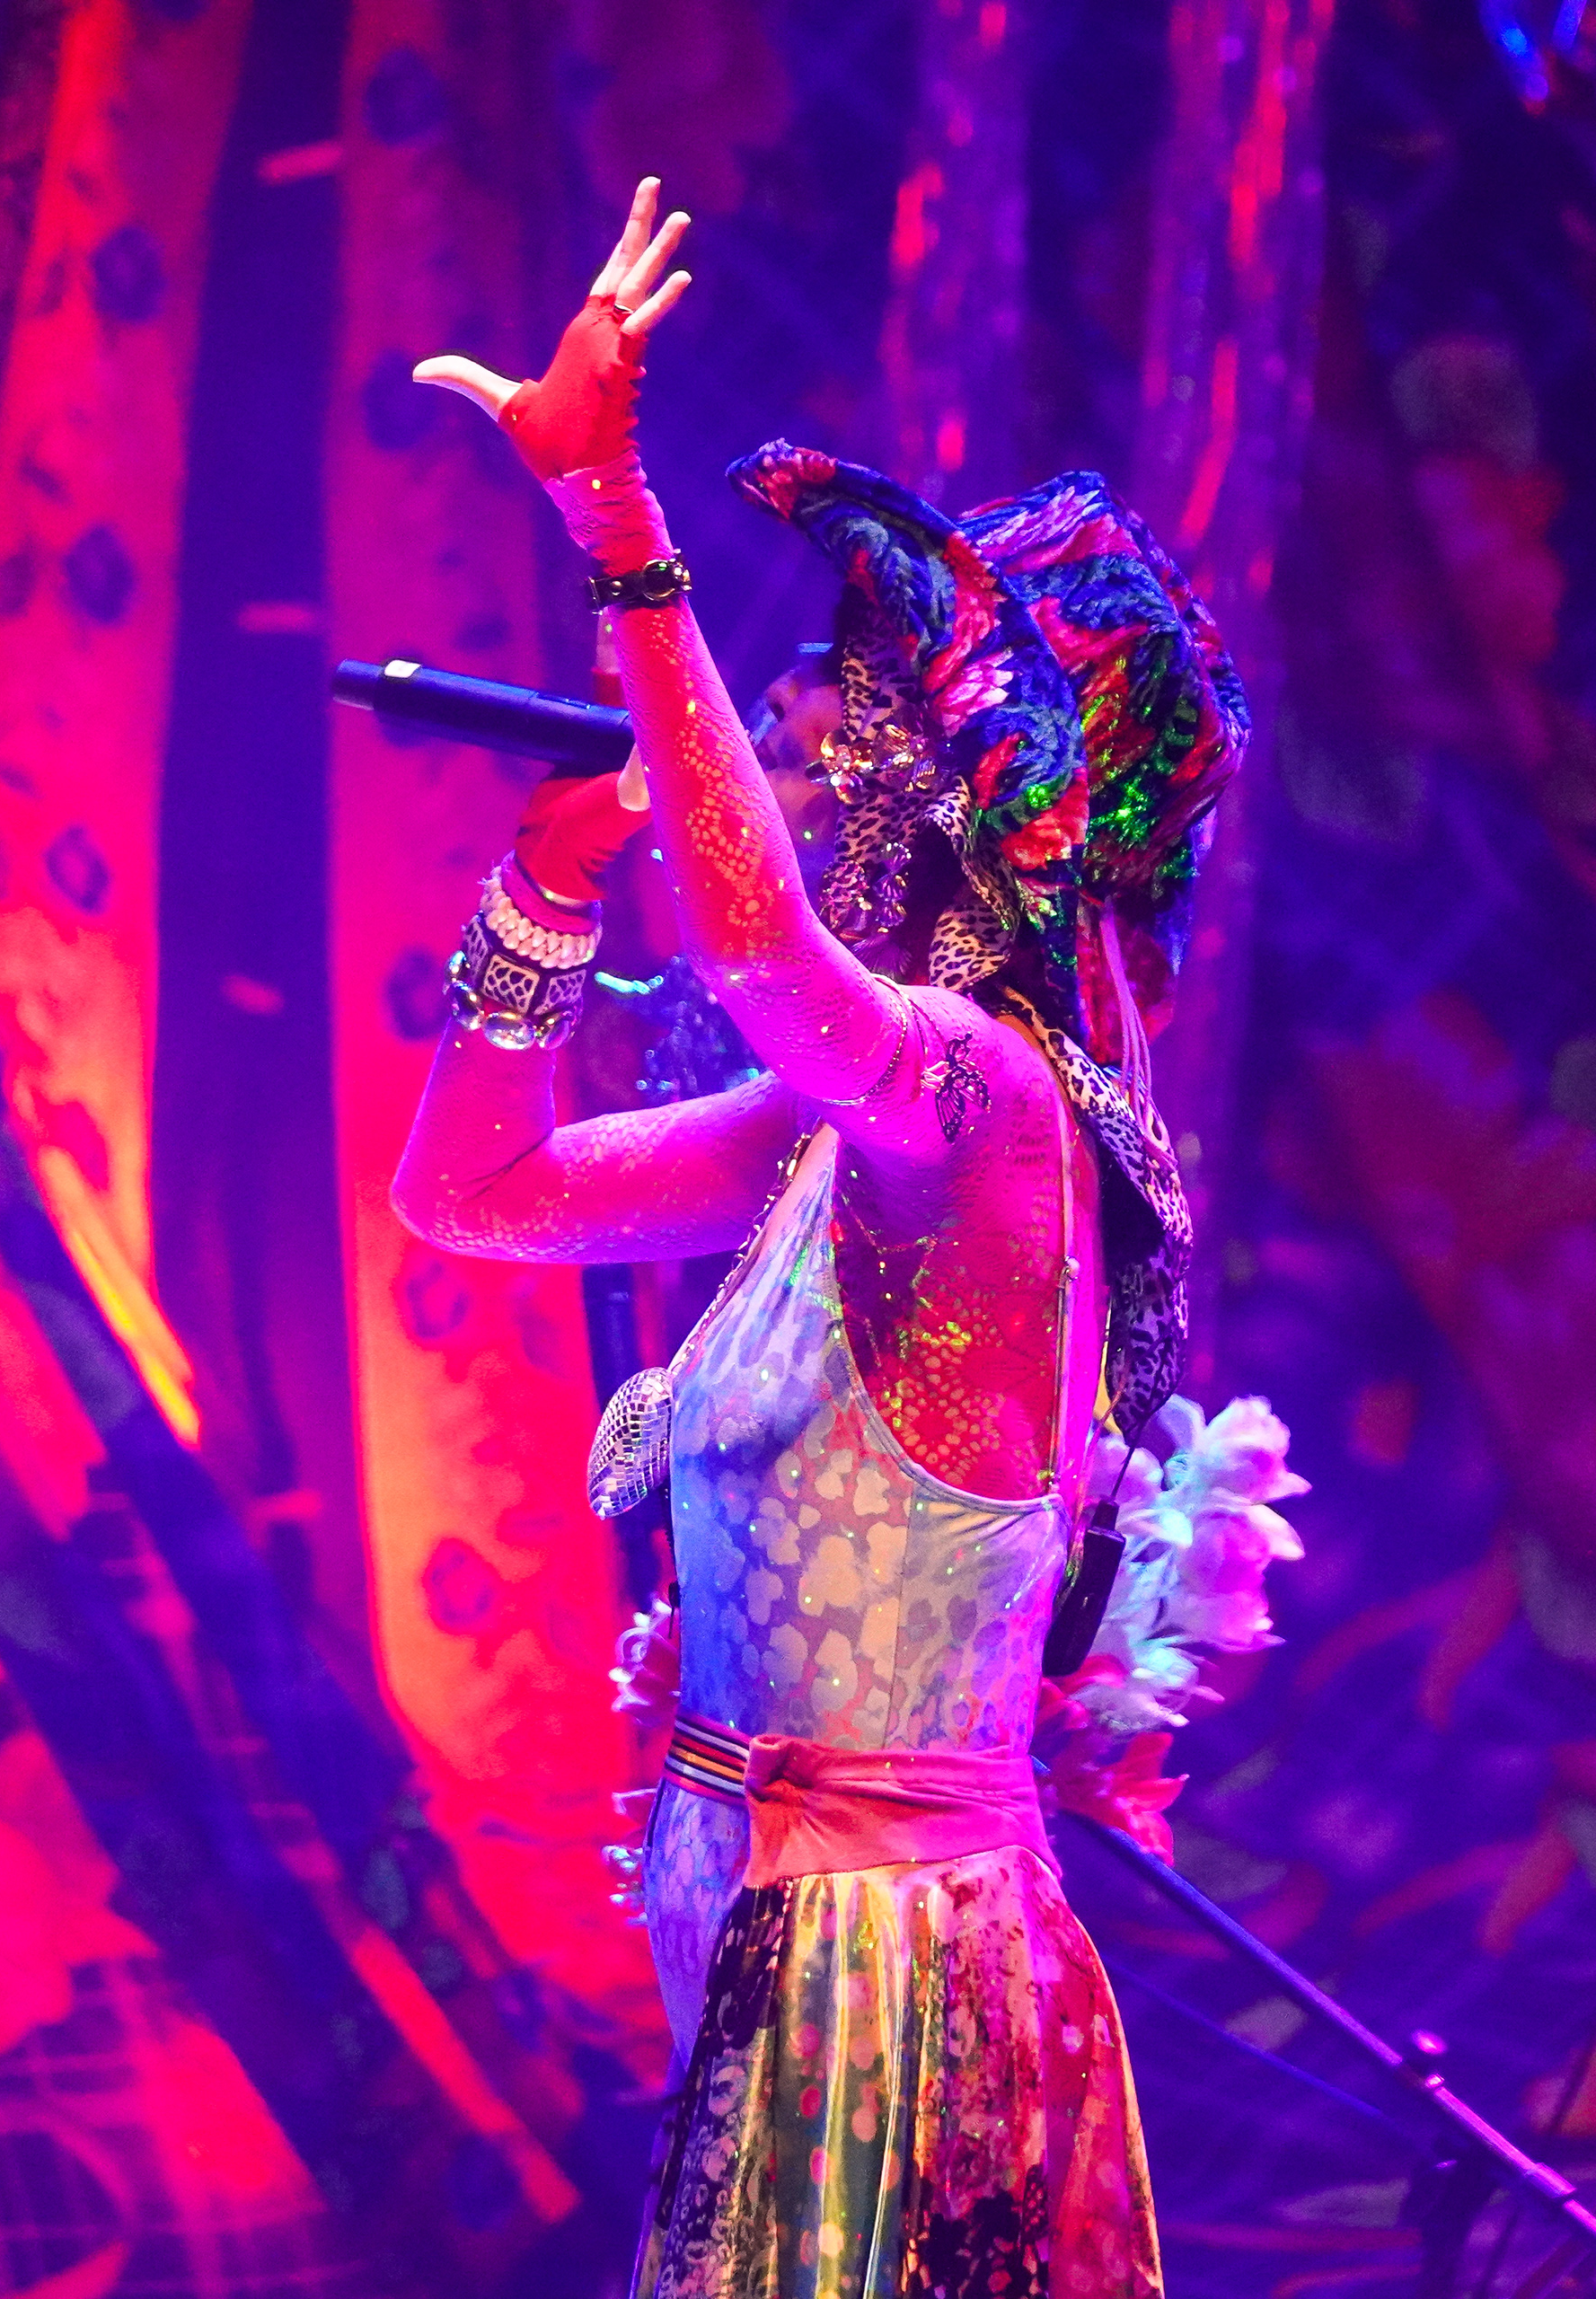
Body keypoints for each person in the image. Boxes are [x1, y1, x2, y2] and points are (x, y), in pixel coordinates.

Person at [393, 178, 1248, 2298]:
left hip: (886, 1989)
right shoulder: (837, 1131)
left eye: (806, 741)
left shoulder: (987, 1102)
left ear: (931, 803)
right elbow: (472, 1193)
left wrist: (615, 516)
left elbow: (763, 949)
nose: (770, 763)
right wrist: (542, 893)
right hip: (763, 1946)